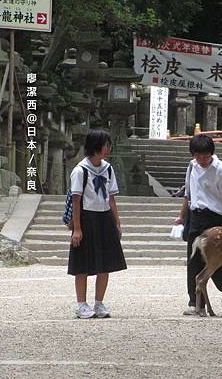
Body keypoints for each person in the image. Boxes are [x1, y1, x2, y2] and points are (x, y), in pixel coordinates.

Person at [173, 134, 222, 316]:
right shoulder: (192, 166)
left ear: (211, 154)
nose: (202, 160)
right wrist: (181, 216)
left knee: (211, 261)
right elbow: (188, 194)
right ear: (193, 155)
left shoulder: (221, 169)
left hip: (214, 218)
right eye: (198, 156)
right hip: (195, 217)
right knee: (194, 260)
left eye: (205, 156)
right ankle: (196, 302)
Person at [68, 129, 125, 319]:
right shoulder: (80, 170)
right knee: (82, 264)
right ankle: (81, 304)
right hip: (86, 217)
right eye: (106, 145)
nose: (108, 148)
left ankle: (99, 303)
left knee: (105, 264)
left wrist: (117, 222)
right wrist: (77, 228)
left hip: (104, 216)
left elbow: (111, 197)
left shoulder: (108, 168)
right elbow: (76, 200)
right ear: (97, 147)